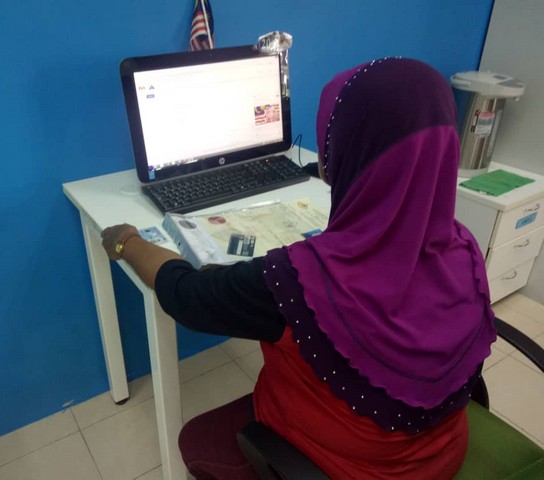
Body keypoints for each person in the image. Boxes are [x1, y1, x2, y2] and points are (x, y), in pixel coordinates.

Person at [101, 57, 496, 479]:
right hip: (442, 456)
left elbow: (186, 295)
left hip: (345, 468)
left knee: (195, 436)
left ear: (343, 156)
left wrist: (128, 241)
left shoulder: (300, 282)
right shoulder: (465, 251)